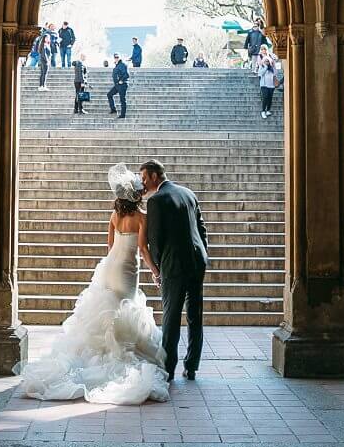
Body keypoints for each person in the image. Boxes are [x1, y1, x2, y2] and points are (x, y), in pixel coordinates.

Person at [18, 164, 169, 404]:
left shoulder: (114, 216)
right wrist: (156, 272)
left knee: (107, 312)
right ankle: (116, 354)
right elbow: (142, 249)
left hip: (110, 268)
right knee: (124, 308)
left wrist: (111, 265)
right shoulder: (142, 218)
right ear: (137, 195)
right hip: (128, 270)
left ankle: (100, 353)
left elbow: (109, 247)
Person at [141, 159, 208, 382]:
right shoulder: (188, 193)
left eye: (144, 178)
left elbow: (154, 240)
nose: (142, 183)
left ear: (153, 176)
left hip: (174, 266)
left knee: (170, 318)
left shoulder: (156, 200)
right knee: (195, 316)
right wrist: (202, 254)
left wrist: (158, 268)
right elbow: (201, 228)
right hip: (197, 262)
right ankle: (192, 367)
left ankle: (168, 369)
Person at [256, 46, 279, 119]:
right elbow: (260, 74)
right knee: (265, 97)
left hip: (271, 85)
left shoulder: (272, 68)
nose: (267, 62)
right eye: (266, 61)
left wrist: (273, 65)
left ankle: (268, 110)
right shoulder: (262, 67)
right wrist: (265, 67)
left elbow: (275, 73)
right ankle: (263, 111)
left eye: (268, 61)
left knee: (270, 98)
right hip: (264, 85)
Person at [107, 53, 129, 118]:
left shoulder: (122, 65)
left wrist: (122, 80)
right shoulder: (117, 65)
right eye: (115, 57)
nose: (116, 58)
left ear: (119, 57)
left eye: (117, 57)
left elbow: (127, 75)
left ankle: (123, 115)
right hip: (117, 85)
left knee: (122, 99)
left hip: (122, 85)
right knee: (109, 94)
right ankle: (113, 109)